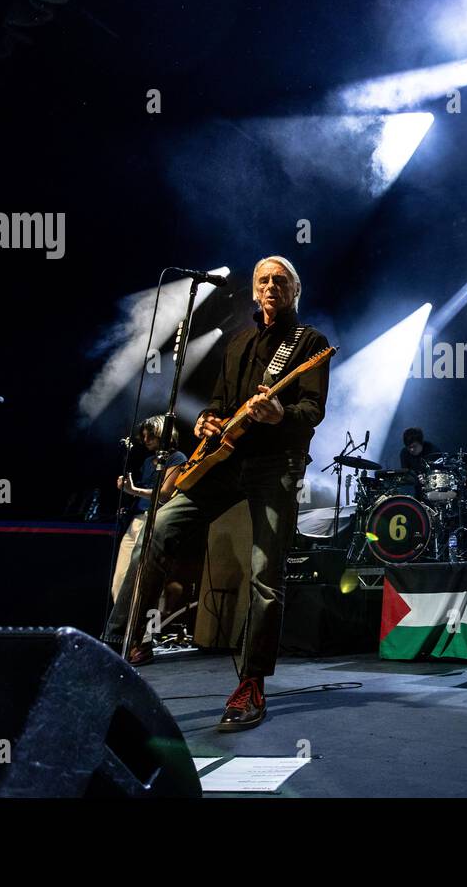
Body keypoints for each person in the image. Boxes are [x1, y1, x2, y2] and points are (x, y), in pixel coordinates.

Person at [107, 256, 329, 732]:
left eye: (281, 281)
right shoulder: (237, 343)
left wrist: (278, 416)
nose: (271, 287)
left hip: (277, 464)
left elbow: (311, 410)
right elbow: (220, 403)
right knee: (158, 532)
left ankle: (250, 683)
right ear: (253, 291)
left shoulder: (308, 342)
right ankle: (113, 649)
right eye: (263, 281)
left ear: (295, 290)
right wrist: (208, 419)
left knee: (266, 574)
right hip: (224, 459)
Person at [105, 415, 188, 635]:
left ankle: (146, 635)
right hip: (136, 521)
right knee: (120, 581)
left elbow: (165, 494)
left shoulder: (177, 458)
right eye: (143, 435)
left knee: (148, 581)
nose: (146, 439)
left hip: (157, 520)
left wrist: (133, 490)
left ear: (162, 434)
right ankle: (125, 632)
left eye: (150, 435)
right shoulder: (146, 462)